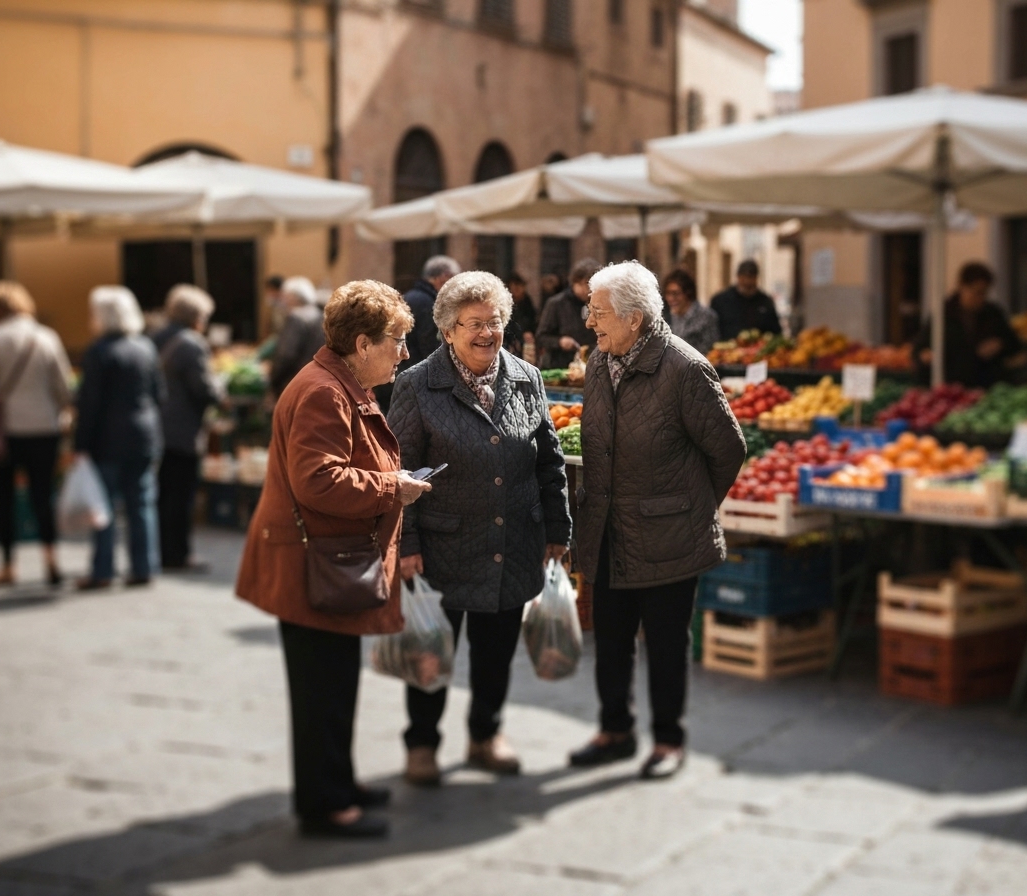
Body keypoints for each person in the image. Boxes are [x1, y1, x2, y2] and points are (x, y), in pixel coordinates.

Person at [235, 280, 432, 839]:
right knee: (320, 689)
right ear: (363, 343)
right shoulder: (325, 390)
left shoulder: (343, 381)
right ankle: (324, 804)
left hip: (329, 561)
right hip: (309, 564)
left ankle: (339, 781)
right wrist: (392, 487)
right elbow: (318, 480)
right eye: (397, 339)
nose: (405, 352)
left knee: (336, 680)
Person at [389, 271, 571, 787]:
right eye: (474, 324)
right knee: (431, 649)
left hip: (512, 539)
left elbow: (549, 463)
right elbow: (399, 471)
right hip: (442, 544)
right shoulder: (417, 384)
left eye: (494, 322)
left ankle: (485, 734)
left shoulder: (526, 378)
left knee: (496, 652)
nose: (487, 333)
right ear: (448, 329)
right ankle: (422, 743)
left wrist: (557, 528)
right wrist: (408, 542)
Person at [568, 261, 744, 780]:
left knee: (666, 645)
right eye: (590, 311)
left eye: (598, 313)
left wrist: (690, 508)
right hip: (606, 525)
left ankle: (668, 740)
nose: (590, 322)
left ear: (636, 318)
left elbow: (728, 449)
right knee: (611, 639)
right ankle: (614, 730)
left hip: (669, 532)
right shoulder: (600, 362)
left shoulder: (686, 369)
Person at [0, 281, 72, 587]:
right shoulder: (46, 337)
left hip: (5, 431)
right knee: (42, 495)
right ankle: (51, 560)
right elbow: (62, 386)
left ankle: (9, 565)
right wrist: (67, 416)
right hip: (45, 427)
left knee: (4, 497)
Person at [73, 286, 166, 590]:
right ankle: (144, 567)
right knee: (141, 504)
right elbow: (158, 394)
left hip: (108, 439)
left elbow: (89, 404)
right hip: (144, 434)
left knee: (105, 506)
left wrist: (80, 445)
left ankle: (102, 570)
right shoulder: (145, 347)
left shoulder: (99, 351)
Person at [155, 285, 225, 572]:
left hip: (158, 425)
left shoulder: (155, 337)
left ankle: (160, 551)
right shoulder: (192, 344)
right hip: (183, 429)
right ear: (196, 316)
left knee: (163, 493)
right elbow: (204, 389)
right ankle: (179, 554)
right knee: (182, 495)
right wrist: (220, 386)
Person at [913, 262, 1024, 388]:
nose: (979, 298)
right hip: (951, 386)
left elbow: (1014, 344)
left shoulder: (993, 314)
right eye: (976, 292)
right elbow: (920, 347)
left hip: (987, 385)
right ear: (961, 286)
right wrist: (926, 356)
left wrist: (999, 345)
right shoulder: (943, 314)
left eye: (984, 293)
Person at [536, 258, 600, 368]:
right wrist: (560, 342)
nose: (590, 291)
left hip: (589, 365)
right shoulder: (556, 303)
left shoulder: (595, 304)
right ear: (577, 282)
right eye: (587, 285)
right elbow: (541, 337)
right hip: (560, 366)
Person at [269, 276, 325, 398]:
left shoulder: (296, 318)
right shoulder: (319, 315)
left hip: (296, 384)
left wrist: (273, 382)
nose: (283, 301)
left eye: (285, 296)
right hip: (317, 381)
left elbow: (286, 355)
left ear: (293, 297)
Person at [403, 255, 461, 370]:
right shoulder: (429, 303)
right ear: (445, 277)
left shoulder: (410, 296)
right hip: (415, 372)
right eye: (455, 280)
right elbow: (430, 346)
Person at [710, 259, 781, 341]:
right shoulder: (720, 301)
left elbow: (776, 332)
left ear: (756, 278)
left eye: (751, 278)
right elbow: (712, 331)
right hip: (726, 350)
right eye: (744, 278)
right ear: (738, 277)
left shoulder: (765, 302)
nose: (747, 282)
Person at [662, 269, 720, 355]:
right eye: (668, 294)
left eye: (675, 293)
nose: (670, 299)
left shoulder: (706, 317)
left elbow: (710, 350)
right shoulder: (665, 317)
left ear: (688, 293)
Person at [502, 271, 538, 359]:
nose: (517, 290)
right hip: (509, 340)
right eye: (514, 287)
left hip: (526, 342)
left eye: (519, 287)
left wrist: (529, 332)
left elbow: (533, 320)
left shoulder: (527, 302)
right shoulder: (505, 304)